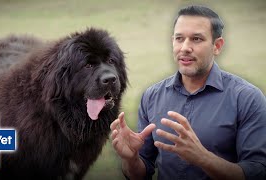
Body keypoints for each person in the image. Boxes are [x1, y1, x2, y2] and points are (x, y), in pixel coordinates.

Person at [110, 5, 266, 180]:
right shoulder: (151, 96)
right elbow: (142, 172)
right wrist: (131, 159)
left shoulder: (247, 98)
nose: (185, 47)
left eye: (196, 39)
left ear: (217, 45)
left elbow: (257, 172)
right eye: (179, 38)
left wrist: (202, 157)